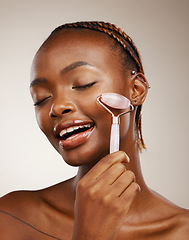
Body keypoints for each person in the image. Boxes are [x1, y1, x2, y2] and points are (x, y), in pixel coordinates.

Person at [0, 21, 188, 240]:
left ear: (136, 90)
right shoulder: (11, 218)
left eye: (83, 84)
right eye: (41, 98)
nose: (57, 107)